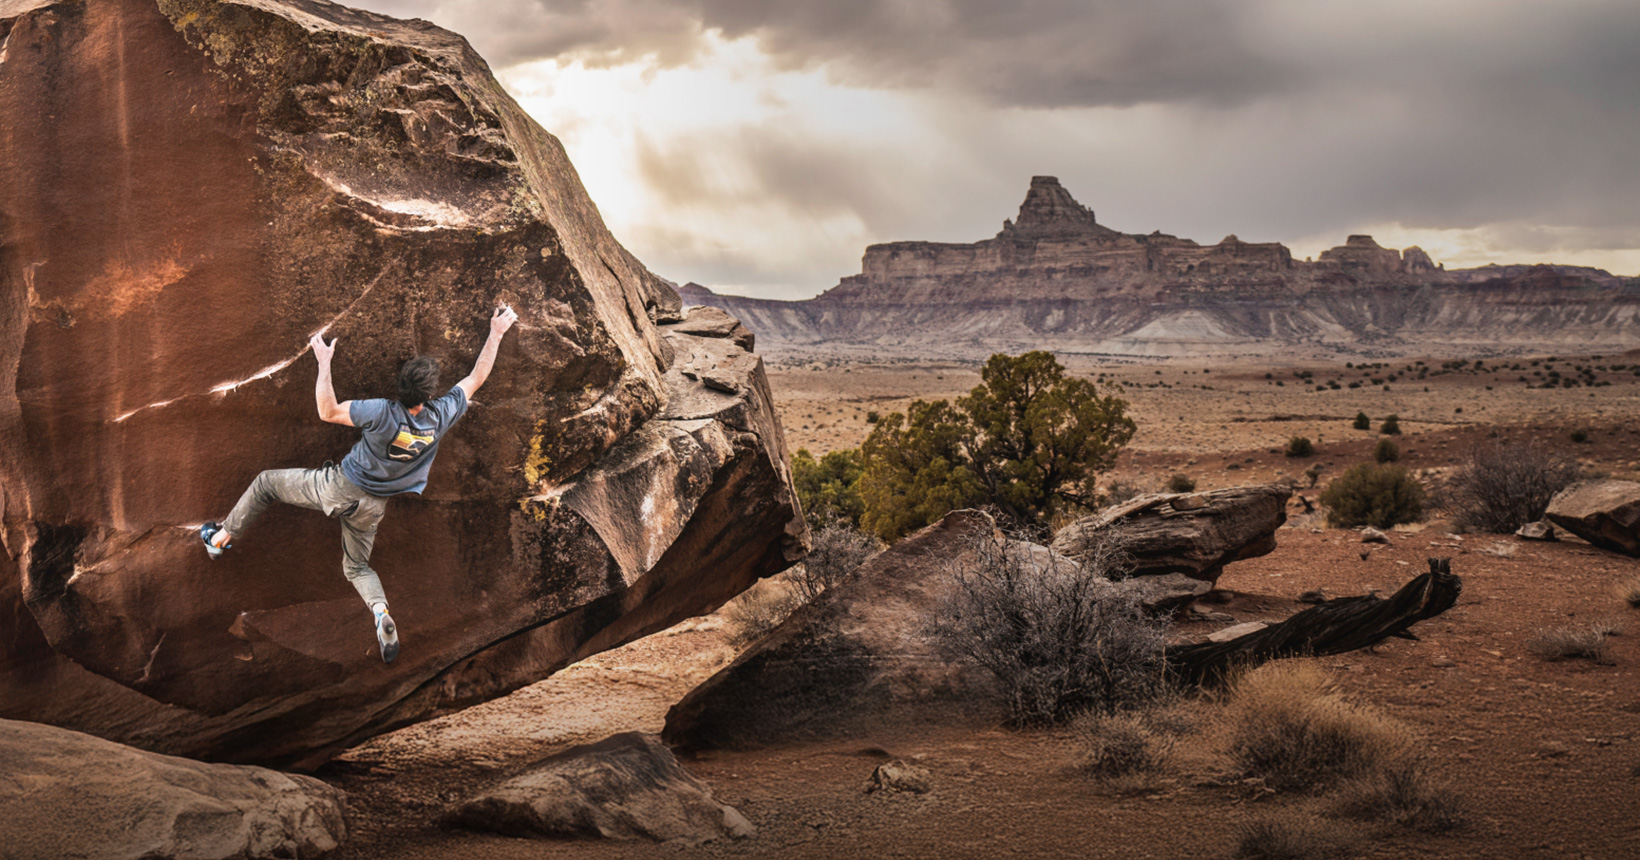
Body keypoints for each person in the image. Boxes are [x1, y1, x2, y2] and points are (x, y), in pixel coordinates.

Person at [200, 305, 520, 663]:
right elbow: (476, 377)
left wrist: (324, 363)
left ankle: (219, 539)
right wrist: (496, 333)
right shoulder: (440, 415)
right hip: (372, 507)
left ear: (401, 387)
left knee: (265, 484)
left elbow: (328, 411)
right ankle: (381, 613)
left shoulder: (381, 411)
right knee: (356, 568)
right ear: (428, 395)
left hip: (339, 487)